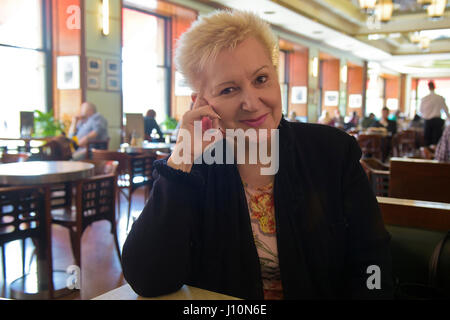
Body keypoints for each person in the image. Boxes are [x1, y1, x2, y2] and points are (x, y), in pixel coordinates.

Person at [121, 10, 393, 300]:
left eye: (261, 79)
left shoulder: (333, 151)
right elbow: (149, 279)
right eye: (228, 89)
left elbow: (374, 258)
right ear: (201, 103)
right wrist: (181, 160)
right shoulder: (194, 169)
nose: (251, 102)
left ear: (277, 78)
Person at [419, 80, 449, 146]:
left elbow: (421, 111)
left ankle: (429, 155)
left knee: (427, 141)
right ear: (434, 87)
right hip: (437, 122)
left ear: (428, 87)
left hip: (428, 121)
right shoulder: (440, 98)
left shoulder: (425, 98)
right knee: (437, 141)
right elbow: (446, 110)